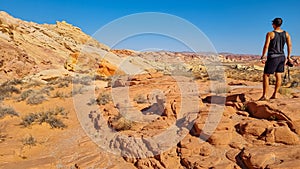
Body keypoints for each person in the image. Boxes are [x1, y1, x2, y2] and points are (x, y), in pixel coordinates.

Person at [259, 17, 292, 100]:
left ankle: (264, 96)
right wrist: (288, 56)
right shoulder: (286, 34)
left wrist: (263, 56)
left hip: (273, 57)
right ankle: (275, 94)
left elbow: (266, 46)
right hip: (282, 56)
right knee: (278, 75)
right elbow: (289, 45)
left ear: (274, 24)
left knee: (266, 75)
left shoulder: (270, 34)